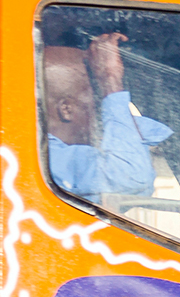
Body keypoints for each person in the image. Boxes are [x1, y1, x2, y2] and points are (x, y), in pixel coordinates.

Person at [42, 31, 167, 204]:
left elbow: (141, 187)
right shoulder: (51, 159)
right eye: (93, 95)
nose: (100, 108)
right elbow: (132, 179)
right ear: (66, 109)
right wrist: (109, 79)